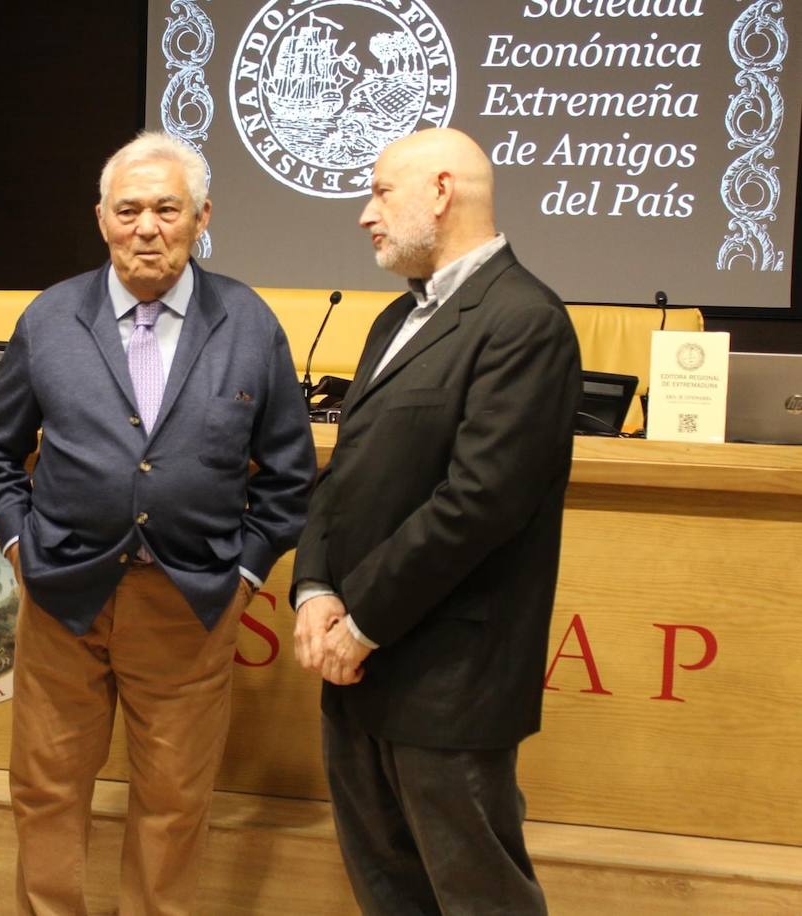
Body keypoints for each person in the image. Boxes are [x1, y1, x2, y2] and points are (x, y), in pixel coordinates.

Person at [0, 131, 315, 914]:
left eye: (167, 209)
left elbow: (291, 478)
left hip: (191, 605)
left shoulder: (250, 323)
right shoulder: (52, 317)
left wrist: (244, 574)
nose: (147, 227)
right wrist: (22, 543)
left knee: (173, 807)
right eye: (129, 210)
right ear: (101, 218)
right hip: (62, 596)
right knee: (48, 793)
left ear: (201, 218)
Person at [291, 127, 581, 915]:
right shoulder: (394, 320)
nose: (363, 214)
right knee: (389, 893)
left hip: (449, 683)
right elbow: (345, 472)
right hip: (358, 673)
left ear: (442, 192)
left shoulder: (525, 320)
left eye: (381, 191)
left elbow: (478, 501)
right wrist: (315, 586)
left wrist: (363, 619)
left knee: (479, 899)